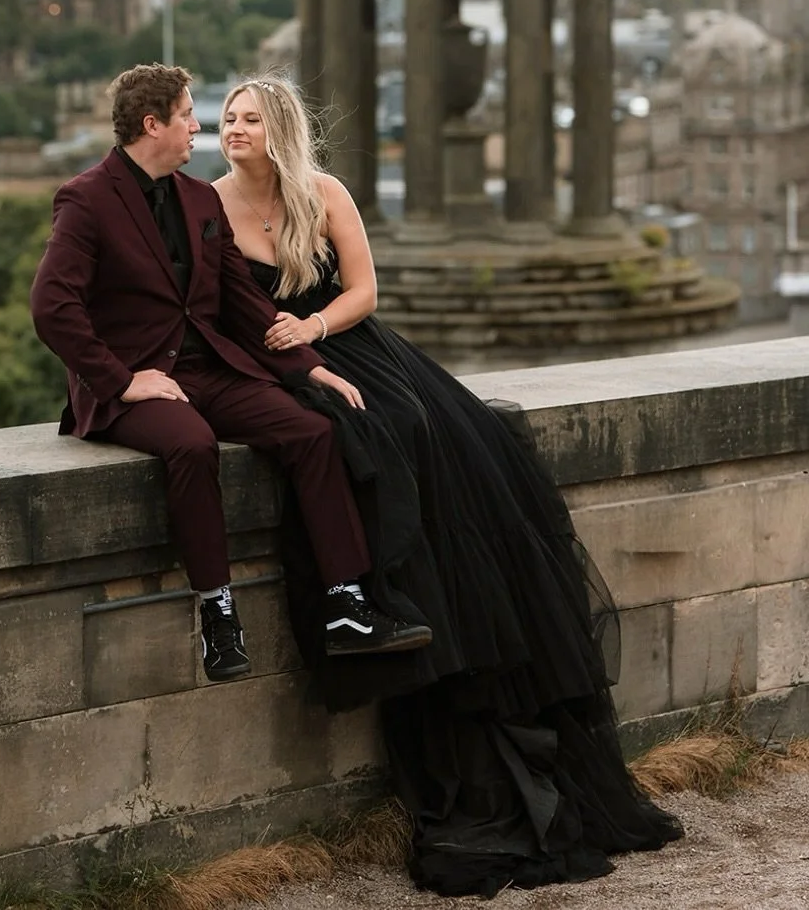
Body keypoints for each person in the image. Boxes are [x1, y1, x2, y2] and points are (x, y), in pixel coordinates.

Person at [213, 77, 683, 899]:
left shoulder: (323, 194)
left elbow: (363, 291)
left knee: (432, 435)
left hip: (353, 347)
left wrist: (315, 326)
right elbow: (210, 311)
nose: (234, 129)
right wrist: (290, 356)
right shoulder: (205, 207)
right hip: (283, 368)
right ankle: (380, 595)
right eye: (226, 117)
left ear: (280, 129)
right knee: (346, 440)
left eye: (251, 118)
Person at [29, 63, 431, 686]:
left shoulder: (197, 198)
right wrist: (121, 380)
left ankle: (345, 606)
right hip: (133, 384)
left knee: (311, 431)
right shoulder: (85, 199)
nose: (201, 126)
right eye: (189, 114)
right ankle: (218, 612)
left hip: (208, 369)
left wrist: (310, 367)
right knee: (191, 445)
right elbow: (52, 307)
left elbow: (243, 302)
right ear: (152, 123)